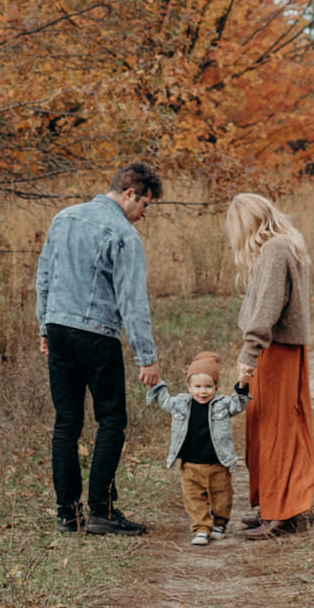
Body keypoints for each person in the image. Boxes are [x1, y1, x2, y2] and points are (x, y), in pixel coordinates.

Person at [35, 162, 163, 536]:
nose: (145, 213)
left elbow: (44, 277)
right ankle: (102, 510)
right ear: (129, 193)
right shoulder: (123, 235)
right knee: (111, 419)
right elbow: (132, 301)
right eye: (146, 204)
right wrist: (147, 357)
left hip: (58, 328)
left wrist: (45, 326)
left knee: (66, 422)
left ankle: (66, 514)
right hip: (96, 333)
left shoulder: (64, 217)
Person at [229, 192, 314, 539]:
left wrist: (249, 355)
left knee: (277, 429)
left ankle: (280, 511)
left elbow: (268, 306)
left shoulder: (275, 249)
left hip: (275, 350)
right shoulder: (285, 245)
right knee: (269, 426)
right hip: (280, 348)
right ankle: (272, 504)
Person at [144, 350, 253, 546]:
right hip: (190, 464)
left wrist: (243, 385)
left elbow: (238, 405)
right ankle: (202, 527)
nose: (203, 392)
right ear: (189, 386)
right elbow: (164, 400)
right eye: (197, 387)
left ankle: (220, 522)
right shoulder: (180, 404)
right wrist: (155, 381)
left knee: (222, 497)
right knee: (193, 498)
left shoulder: (222, 404)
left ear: (216, 387)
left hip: (218, 463)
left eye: (208, 387)